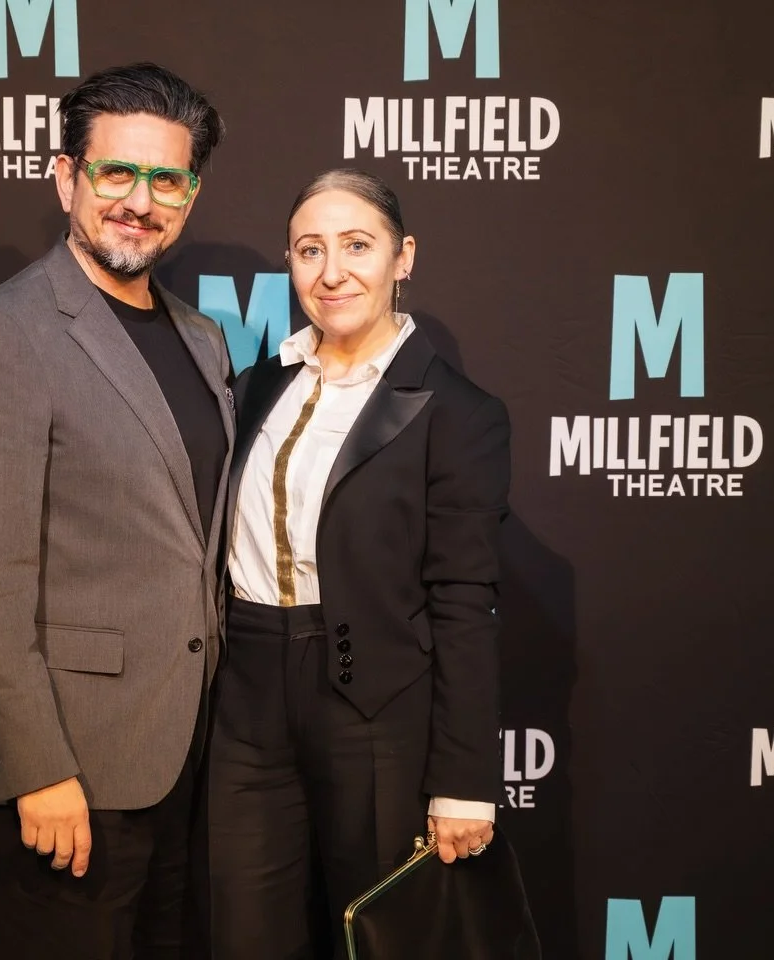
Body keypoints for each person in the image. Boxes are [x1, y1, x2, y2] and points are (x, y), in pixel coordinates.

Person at [0, 62, 230, 959]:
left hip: (177, 765)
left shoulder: (201, 337)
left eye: (166, 179)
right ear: (66, 177)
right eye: (116, 172)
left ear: (191, 195)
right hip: (64, 779)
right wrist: (38, 769)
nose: (140, 200)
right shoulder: (1, 334)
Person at [206, 168, 512, 959]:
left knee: (376, 939)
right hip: (244, 700)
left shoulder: (458, 412)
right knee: (245, 934)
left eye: (356, 245)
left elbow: (464, 600)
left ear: (403, 257)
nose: (331, 271)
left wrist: (465, 780)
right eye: (310, 250)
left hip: (375, 707)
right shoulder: (258, 384)